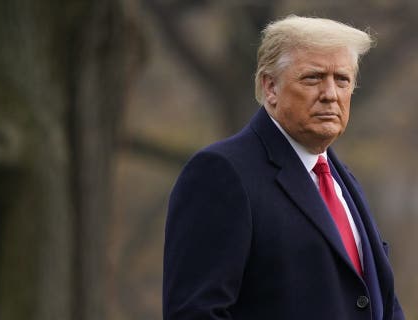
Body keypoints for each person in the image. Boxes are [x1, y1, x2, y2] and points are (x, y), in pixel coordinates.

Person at [163, 15, 405, 320]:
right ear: (271, 87)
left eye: (342, 79)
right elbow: (195, 312)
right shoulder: (221, 173)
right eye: (313, 78)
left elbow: (383, 302)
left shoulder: (344, 181)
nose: (330, 94)